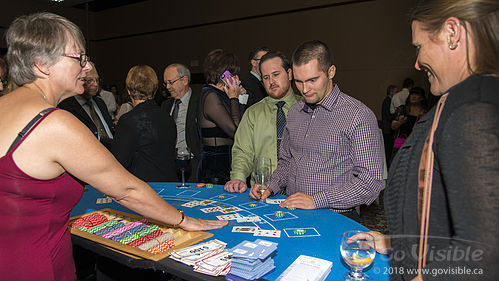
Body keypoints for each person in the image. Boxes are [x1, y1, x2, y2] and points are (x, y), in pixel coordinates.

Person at [0, 12, 226, 281]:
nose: (86, 67)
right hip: (37, 267)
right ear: (41, 64)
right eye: (79, 58)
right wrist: (184, 220)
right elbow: (127, 190)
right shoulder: (54, 123)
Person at [354, 1, 498, 280]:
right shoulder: (465, 100)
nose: (417, 63)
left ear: (453, 33)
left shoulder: (473, 109)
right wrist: (399, 243)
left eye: (419, 46)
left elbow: (486, 256)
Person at [251, 40, 383, 218]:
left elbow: (370, 183)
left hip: (335, 217)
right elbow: (287, 162)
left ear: (331, 72)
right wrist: (270, 186)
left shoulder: (357, 115)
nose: (305, 89)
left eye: (312, 80)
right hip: (291, 212)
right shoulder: (295, 112)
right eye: (299, 81)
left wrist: (317, 200)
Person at [224, 51, 301, 193]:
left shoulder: (307, 110)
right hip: (262, 192)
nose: (271, 81)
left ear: (289, 74)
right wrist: (238, 178)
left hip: (300, 194)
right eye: (266, 77)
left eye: (276, 74)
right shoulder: (253, 113)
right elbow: (243, 151)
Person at [112, 65, 177, 182]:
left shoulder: (127, 121)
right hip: (169, 186)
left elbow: (119, 165)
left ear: (128, 90)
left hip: (143, 190)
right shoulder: (167, 117)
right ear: (155, 90)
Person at [198, 49, 246, 184]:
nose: (237, 78)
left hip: (227, 162)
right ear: (224, 74)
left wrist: (240, 97)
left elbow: (242, 126)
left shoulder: (222, 95)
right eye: (234, 73)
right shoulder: (210, 96)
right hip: (215, 167)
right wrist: (234, 98)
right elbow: (236, 132)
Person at [58, 62, 115, 150]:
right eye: (89, 80)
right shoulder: (66, 107)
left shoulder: (100, 103)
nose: (95, 84)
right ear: (78, 80)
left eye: (97, 80)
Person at [161, 63, 201, 182]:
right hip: (170, 165)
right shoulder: (165, 105)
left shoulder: (200, 102)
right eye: (165, 83)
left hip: (193, 164)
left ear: (184, 80)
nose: (167, 87)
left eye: (171, 82)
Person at [391, 86, 428, 156]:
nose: (413, 96)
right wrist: (400, 122)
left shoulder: (425, 113)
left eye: (417, 94)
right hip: (401, 142)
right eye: (412, 94)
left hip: (417, 144)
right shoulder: (403, 109)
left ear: (422, 98)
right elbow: (393, 126)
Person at [381, 84, 398, 164]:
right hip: (387, 128)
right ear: (391, 92)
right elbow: (388, 115)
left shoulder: (388, 100)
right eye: (396, 92)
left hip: (387, 128)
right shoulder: (387, 101)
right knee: (387, 148)